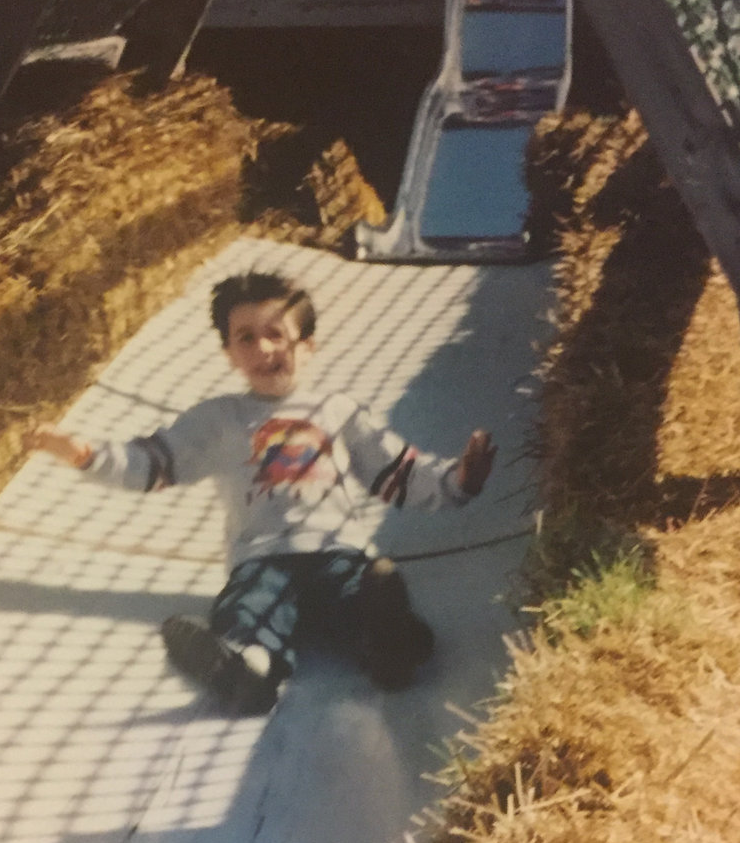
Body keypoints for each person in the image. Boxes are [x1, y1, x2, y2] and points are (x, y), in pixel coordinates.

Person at [26, 271, 496, 716]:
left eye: (276, 333)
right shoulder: (219, 419)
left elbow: (398, 470)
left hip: (336, 552)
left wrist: (457, 480)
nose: (263, 348)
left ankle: (389, 643)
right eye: (245, 338)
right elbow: (153, 461)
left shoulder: (337, 412)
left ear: (307, 345)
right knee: (248, 606)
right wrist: (86, 455)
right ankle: (248, 670)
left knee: (362, 590)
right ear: (229, 353)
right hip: (261, 558)